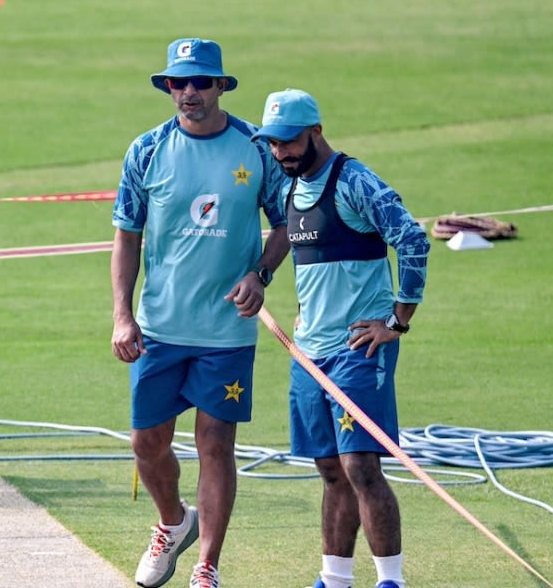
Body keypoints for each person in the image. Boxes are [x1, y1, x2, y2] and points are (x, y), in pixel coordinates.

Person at [111, 38, 290, 588]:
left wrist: (260, 275)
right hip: (161, 327)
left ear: (220, 86)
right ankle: (172, 522)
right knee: (148, 444)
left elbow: (286, 226)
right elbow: (126, 237)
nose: (189, 93)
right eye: (178, 83)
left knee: (215, 444)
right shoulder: (146, 150)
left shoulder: (256, 150)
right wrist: (122, 315)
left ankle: (207, 566)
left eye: (200, 82)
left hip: (225, 332)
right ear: (169, 88)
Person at [250, 89, 430, 588]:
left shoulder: (353, 181)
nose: (281, 152)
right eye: (273, 144)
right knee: (329, 468)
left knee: (360, 466)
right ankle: (334, 579)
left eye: (289, 142)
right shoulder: (289, 185)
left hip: (357, 350)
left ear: (316, 132)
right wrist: (258, 277)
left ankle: (390, 580)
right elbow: (284, 235)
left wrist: (396, 323)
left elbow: (412, 239)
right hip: (309, 354)